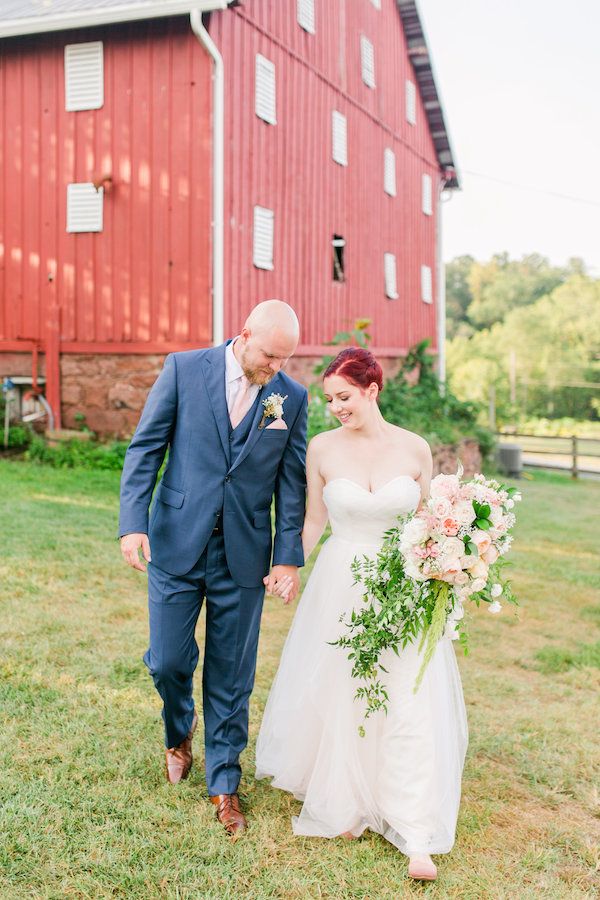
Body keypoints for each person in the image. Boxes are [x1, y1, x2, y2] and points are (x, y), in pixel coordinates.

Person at [255, 347, 468, 882]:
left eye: (344, 397)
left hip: (403, 588)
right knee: (346, 688)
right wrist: (287, 566)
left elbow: (433, 525)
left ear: (373, 389)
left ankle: (415, 828)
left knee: (408, 696)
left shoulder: (416, 449)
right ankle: (346, 798)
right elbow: (312, 521)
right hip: (341, 582)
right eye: (329, 400)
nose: (336, 408)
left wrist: (453, 561)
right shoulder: (323, 449)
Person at [119, 300, 307, 838]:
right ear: (244, 334)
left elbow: (290, 484)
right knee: (168, 661)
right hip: (176, 542)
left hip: (244, 554)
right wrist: (134, 523)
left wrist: (287, 554)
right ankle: (178, 730)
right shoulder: (183, 368)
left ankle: (224, 782)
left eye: (285, 360)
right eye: (270, 355)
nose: (275, 368)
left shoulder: (290, 398)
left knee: (232, 673)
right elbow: (146, 448)